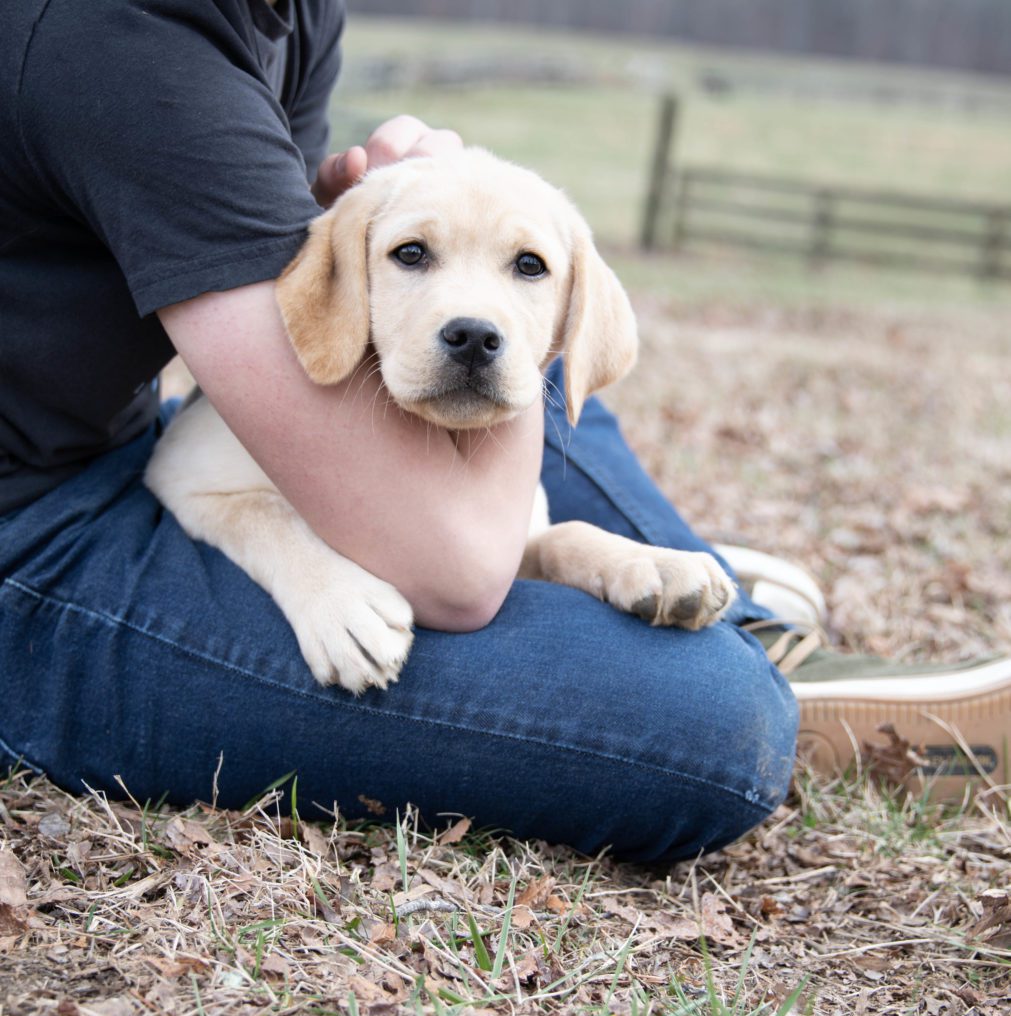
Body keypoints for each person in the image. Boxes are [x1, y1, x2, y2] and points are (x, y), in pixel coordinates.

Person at [0, 1, 1002, 866]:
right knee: (714, 723)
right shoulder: (118, 37)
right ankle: (758, 668)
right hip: (32, 539)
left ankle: (705, 600)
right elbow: (459, 570)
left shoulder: (292, 15)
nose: (474, 302)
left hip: (110, 446)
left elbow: (280, 247)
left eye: (530, 266)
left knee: (510, 371)